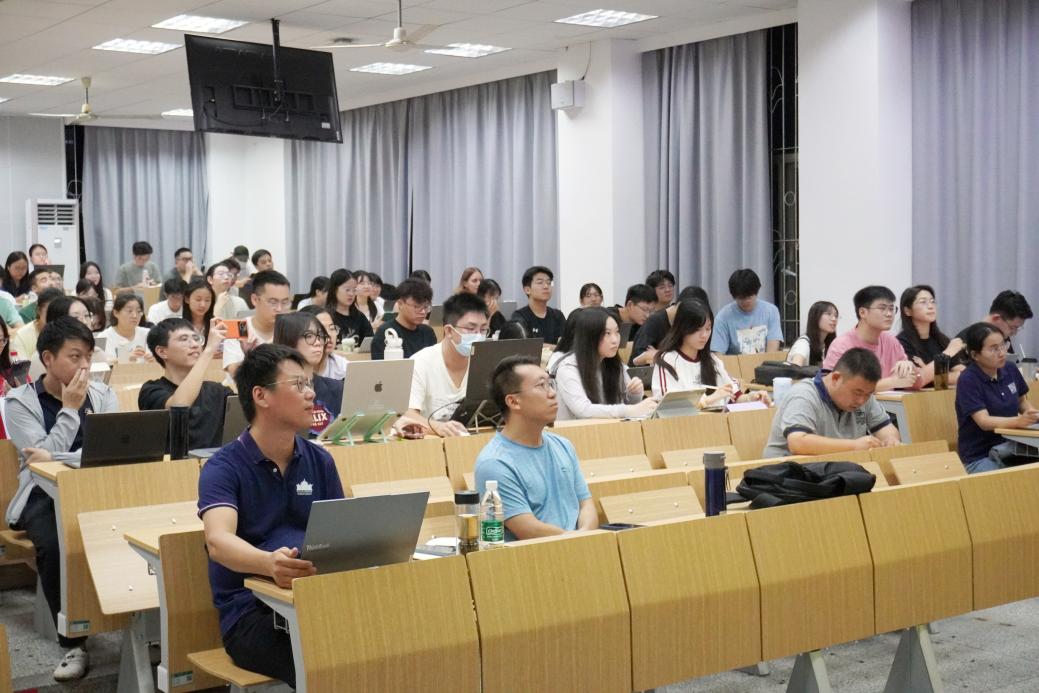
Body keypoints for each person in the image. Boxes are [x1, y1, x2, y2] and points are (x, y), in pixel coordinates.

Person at [198, 344, 343, 687]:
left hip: (316, 600)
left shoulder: (319, 459)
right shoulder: (223, 467)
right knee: (332, 659)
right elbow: (218, 542)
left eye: (310, 384)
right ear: (261, 395)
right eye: (298, 384)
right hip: (252, 614)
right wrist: (268, 564)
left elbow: (341, 532)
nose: (311, 394)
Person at [4, 317, 119, 681]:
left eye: (88, 356)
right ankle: (73, 642)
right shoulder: (19, 401)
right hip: (43, 493)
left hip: (97, 487)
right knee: (55, 545)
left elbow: (111, 449)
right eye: (74, 356)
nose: (84, 366)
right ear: (48, 358)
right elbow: (38, 463)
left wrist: (59, 455)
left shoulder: (103, 394)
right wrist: (70, 410)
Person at [473, 355, 597, 541]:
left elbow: (586, 504)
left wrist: (585, 535)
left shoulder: (563, 445)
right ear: (513, 402)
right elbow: (528, 529)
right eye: (541, 386)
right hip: (534, 554)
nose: (552, 393)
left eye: (550, 384)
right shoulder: (494, 464)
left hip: (577, 544)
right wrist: (578, 539)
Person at [763, 347, 901, 457]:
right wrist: (854, 446)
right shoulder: (804, 395)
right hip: (785, 474)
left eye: (867, 394)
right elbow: (798, 442)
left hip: (833, 472)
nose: (861, 400)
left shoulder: (865, 396)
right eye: (857, 392)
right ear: (835, 378)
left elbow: (886, 428)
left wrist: (890, 440)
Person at [397, 293, 490, 437]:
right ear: (449, 331)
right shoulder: (420, 363)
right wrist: (439, 428)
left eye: (483, 329)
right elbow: (408, 415)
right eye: (470, 329)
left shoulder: (484, 363)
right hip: (431, 443)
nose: (478, 336)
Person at [652, 299, 771, 407]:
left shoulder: (713, 361)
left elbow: (735, 397)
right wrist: (710, 399)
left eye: (708, 329)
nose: (704, 335)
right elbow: (668, 407)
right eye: (697, 329)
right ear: (683, 328)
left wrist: (752, 398)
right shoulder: (667, 360)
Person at [955, 322, 1039, 473]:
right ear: (975, 355)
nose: (1002, 353)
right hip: (980, 455)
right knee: (1011, 483)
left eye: (1003, 345)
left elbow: (1022, 402)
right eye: (994, 349)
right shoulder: (968, 379)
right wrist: (1018, 421)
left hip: (1013, 445)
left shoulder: (1010, 368)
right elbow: (984, 421)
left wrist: (1033, 415)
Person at [139, 318, 232, 450]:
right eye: (183, 339)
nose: (194, 345)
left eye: (196, 338)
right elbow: (179, 407)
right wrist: (209, 351)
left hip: (216, 462)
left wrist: (249, 356)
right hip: (174, 463)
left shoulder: (218, 391)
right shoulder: (151, 391)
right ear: (162, 351)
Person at [554, 307, 657, 420]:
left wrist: (634, 395)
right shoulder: (568, 368)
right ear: (589, 337)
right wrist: (628, 410)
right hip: (578, 430)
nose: (615, 340)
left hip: (609, 428)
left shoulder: (616, 365)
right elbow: (583, 410)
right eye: (607, 333)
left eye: (617, 332)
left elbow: (629, 408)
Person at [823, 286, 922, 391]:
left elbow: (917, 385)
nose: (889, 314)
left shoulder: (892, 342)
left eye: (891, 308)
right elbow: (833, 386)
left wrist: (912, 368)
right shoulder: (842, 345)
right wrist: (892, 382)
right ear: (863, 312)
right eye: (882, 308)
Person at [273, 312, 343, 436]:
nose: (318, 343)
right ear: (289, 340)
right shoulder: (274, 392)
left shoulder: (336, 388)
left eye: (320, 336)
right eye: (309, 336)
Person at [222, 270, 292, 377]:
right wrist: (251, 356)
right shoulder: (240, 327)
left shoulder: (290, 329)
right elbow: (234, 372)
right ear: (255, 299)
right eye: (273, 302)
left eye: (285, 302)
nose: (279, 309)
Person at [896, 285, 965, 386]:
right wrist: (947, 353)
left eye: (932, 301)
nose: (930, 306)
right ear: (908, 311)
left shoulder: (942, 340)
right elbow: (917, 379)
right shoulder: (901, 343)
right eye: (923, 302)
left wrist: (929, 372)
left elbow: (963, 375)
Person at [628, 286, 710, 366]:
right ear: (680, 306)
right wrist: (661, 356)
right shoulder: (654, 322)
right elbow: (638, 356)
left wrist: (661, 354)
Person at [710, 269, 783, 355]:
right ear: (734, 296)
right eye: (742, 298)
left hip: (765, 362)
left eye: (750, 296)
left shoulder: (771, 311)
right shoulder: (723, 317)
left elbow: (772, 351)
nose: (746, 301)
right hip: (734, 363)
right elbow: (718, 354)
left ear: (757, 292)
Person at [955, 290, 1034, 364]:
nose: (1014, 333)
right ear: (996, 318)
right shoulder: (963, 341)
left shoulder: (1002, 335)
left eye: (1018, 328)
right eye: (1012, 327)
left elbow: (1013, 366)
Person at [371, 278, 437, 360]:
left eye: (426, 307)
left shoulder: (428, 332)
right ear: (400, 304)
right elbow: (380, 366)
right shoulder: (386, 333)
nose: (423, 312)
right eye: (417, 306)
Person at [511, 265, 566, 346]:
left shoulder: (558, 315)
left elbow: (566, 343)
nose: (546, 286)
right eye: (540, 283)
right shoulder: (520, 316)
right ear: (527, 290)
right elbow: (526, 345)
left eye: (549, 283)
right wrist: (555, 347)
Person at [11, 287, 64, 361]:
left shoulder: (70, 332)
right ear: (38, 310)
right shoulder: (23, 335)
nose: (54, 316)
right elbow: (21, 366)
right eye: (50, 312)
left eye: (59, 312)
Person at [326, 269, 374, 347]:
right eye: (347, 290)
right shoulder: (326, 316)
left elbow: (370, 343)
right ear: (334, 290)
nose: (351, 294)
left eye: (354, 290)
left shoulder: (360, 317)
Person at [97, 294, 151, 361]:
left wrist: (155, 360)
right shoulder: (102, 337)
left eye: (139, 311)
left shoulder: (149, 334)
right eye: (129, 311)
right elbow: (97, 364)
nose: (135, 316)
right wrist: (126, 359)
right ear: (116, 313)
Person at [299, 306, 348, 380]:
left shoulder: (343, 366)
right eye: (321, 330)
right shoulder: (292, 369)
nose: (329, 334)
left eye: (332, 328)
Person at [786, 301, 839, 367]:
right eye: (828, 314)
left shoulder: (826, 345)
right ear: (816, 317)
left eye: (836, 316)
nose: (834, 319)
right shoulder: (803, 343)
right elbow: (795, 369)